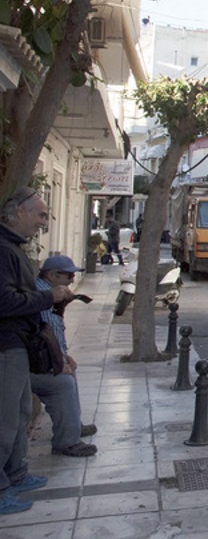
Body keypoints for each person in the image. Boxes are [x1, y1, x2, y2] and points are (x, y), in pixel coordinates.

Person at [0, 187, 73, 515]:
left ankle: (16, 474)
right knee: (4, 421)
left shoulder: (13, 248)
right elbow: (5, 302)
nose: (44, 222)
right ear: (17, 213)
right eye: (40, 214)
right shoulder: (3, 250)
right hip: (5, 346)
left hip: (17, 346)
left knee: (18, 415)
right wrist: (49, 297)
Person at [30, 256, 98, 458]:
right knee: (63, 382)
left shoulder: (47, 290)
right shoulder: (47, 294)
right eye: (68, 274)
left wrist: (63, 357)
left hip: (33, 357)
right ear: (52, 276)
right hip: (28, 363)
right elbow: (49, 330)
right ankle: (67, 442)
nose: (72, 278)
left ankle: (73, 426)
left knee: (69, 369)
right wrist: (59, 360)